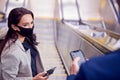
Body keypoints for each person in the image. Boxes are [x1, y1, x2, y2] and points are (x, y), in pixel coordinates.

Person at [0, 7, 49, 80]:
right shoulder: (10, 52)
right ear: (14, 27)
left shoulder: (27, 39)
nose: (30, 27)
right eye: (25, 25)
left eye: (31, 23)